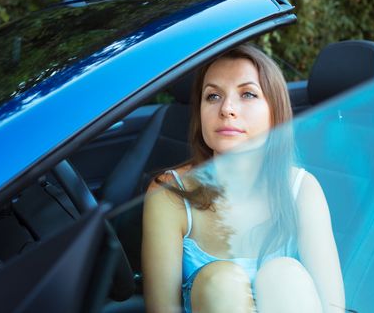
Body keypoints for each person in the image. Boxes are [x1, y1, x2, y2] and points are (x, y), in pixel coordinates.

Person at [142, 44, 345, 313]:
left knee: (284, 275)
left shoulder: (302, 190)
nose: (227, 109)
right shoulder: (169, 193)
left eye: (248, 94)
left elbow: (333, 307)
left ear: (275, 111)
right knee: (220, 282)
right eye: (213, 96)